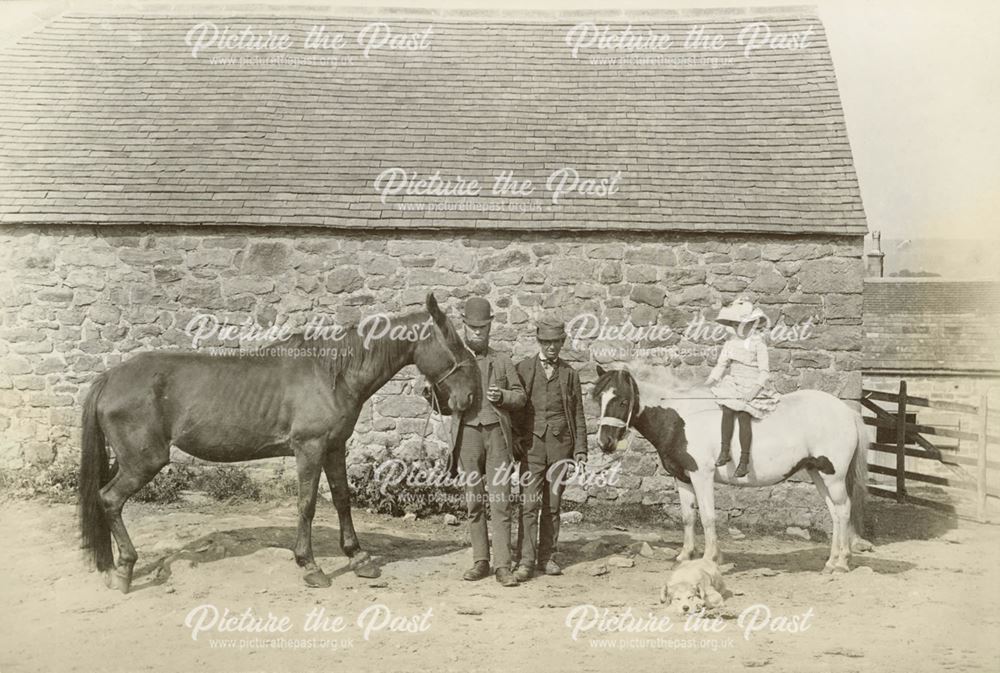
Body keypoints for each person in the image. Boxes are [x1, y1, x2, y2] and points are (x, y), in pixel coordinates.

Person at [424, 297, 526, 587]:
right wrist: (429, 393)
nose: (477, 333)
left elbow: (521, 397)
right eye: (472, 328)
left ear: (491, 326)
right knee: (474, 502)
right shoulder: (454, 363)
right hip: (467, 435)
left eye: (483, 327)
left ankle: (503, 565)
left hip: (497, 437)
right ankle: (481, 561)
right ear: (465, 328)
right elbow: (445, 405)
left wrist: (503, 397)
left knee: (501, 501)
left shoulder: (502, 361)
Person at [511, 317, 588, 581]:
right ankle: (525, 561)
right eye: (546, 342)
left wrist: (580, 449)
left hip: (560, 448)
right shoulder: (523, 369)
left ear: (563, 342)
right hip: (531, 447)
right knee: (528, 504)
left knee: (552, 506)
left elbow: (577, 413)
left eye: (556, 342)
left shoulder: (570, 374)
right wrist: (516, 439)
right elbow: (514, 409)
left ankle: (548, 557)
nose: (551, 347)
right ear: (538, 341)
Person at [705, 298, 780, 478]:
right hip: (734, 382)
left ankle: (744, 461)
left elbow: (764, 372)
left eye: (744, 325)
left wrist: (753, 392)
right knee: (728, 410)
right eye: (736, 324)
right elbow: (721, 365)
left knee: (744, 414)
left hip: (753, 384)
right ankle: (725, 452)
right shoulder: (730, 344)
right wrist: (710, 380)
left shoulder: (758, 344)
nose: (740, 329)